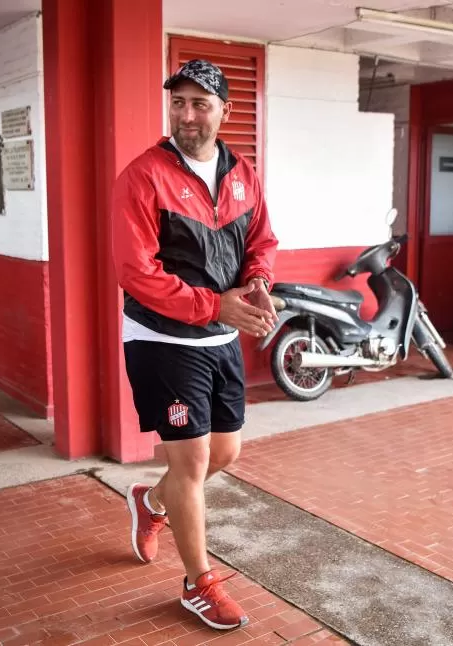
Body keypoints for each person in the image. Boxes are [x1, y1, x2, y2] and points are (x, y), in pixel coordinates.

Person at [111, 59, 279, 631]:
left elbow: (262, 241)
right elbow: (135, 272)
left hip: (223, 337)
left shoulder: (242, 173)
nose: (187, 114)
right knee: (191, 460)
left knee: (226, 453)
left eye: (200, 103)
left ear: (224, 112)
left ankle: (150, 504)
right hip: (162, 338)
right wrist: (214, 304)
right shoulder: (143, 176)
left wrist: (258, 281)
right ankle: (197, 584)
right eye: (177, 102)